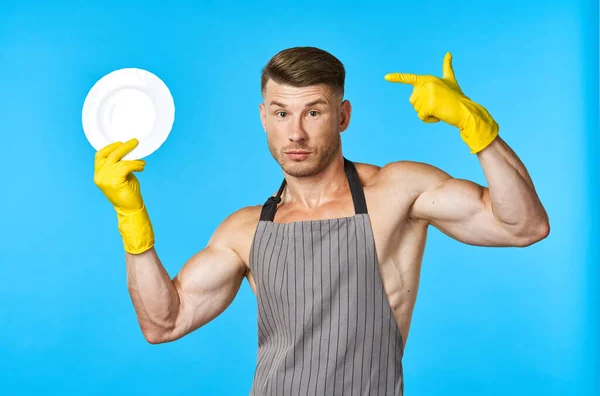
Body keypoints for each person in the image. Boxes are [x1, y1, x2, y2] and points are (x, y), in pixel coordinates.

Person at [93, 47, 550, 395]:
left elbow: (523, 225)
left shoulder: (395, 193)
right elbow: (163, 323)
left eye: (313, 111)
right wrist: (131, 216)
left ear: (343, 116)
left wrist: (477, 127)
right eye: (281, 113)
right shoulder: (245, 230)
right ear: (263, 118)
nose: (296, 132)